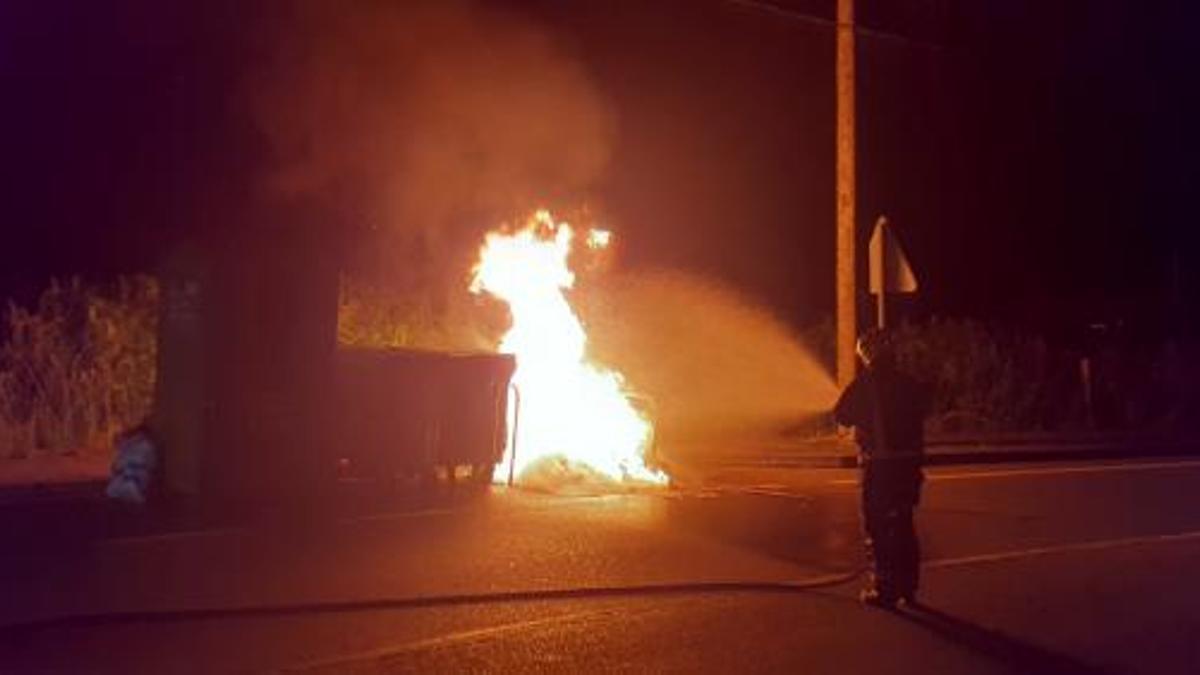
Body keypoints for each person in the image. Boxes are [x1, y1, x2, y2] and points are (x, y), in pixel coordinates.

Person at [833, 329, 930, 609]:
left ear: (865, 354)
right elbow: (924, 409)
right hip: (909, 467)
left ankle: (884, 588)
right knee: (903, 523)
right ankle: (908, 588)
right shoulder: (909, 383)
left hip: (879, 466)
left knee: (877, 526)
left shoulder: (865, 384)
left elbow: (841, 414)